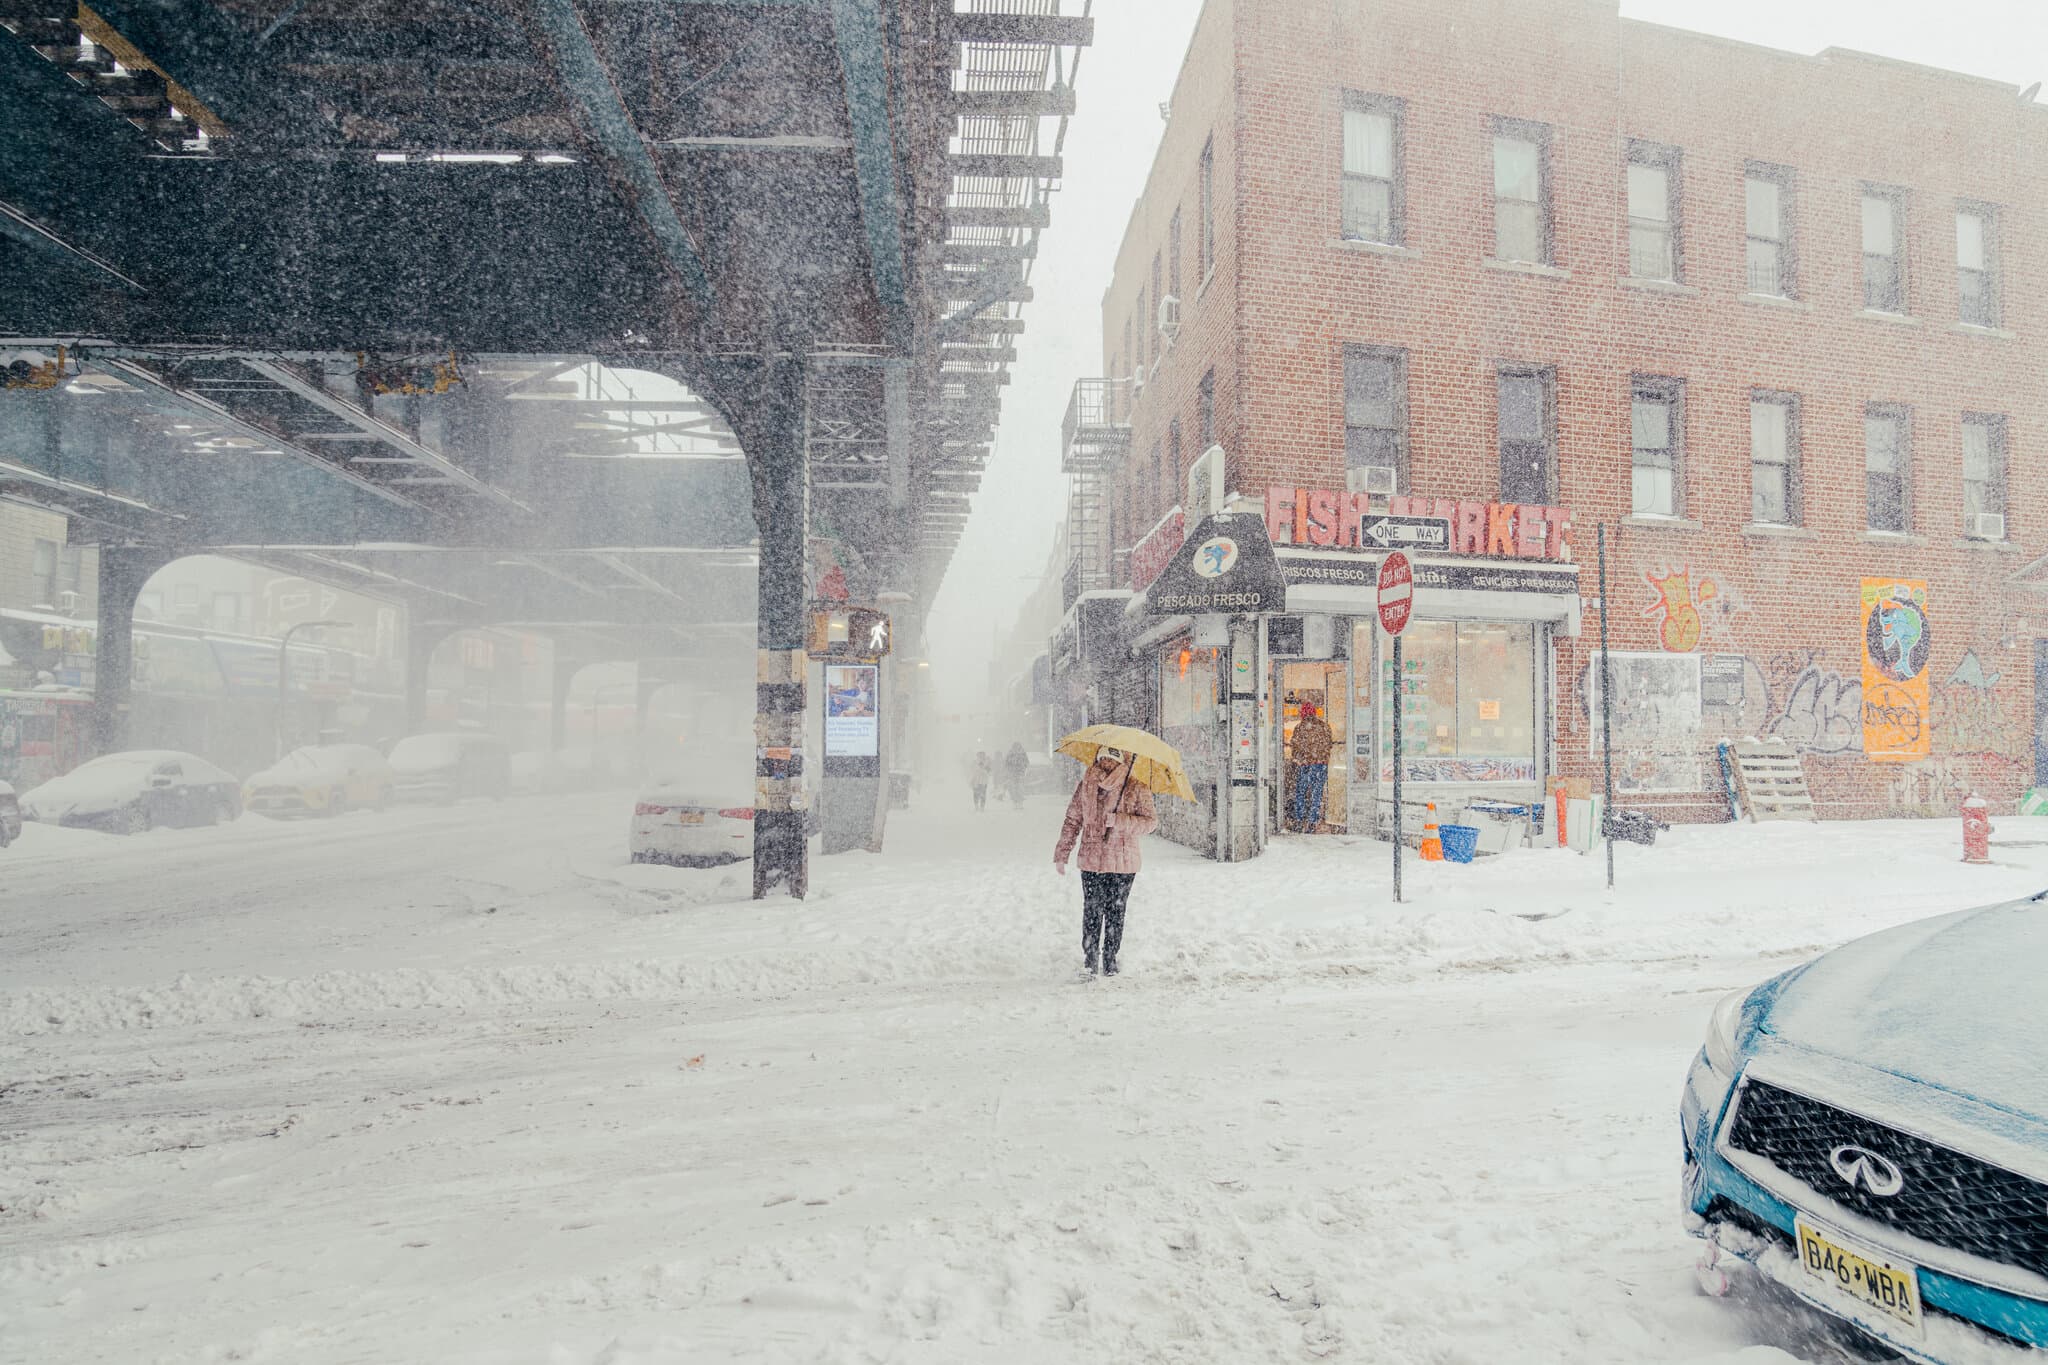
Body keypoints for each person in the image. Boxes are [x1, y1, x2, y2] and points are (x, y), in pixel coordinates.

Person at [1052, 745, 1159, 976]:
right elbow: (1073, 819)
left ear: (1120, 761)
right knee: (1096, 910)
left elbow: (1150, 823)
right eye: (1102, 760)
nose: (1106, 764)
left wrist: (1119, 820)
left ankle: (1109, 958)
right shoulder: (1087, 784)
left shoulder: (1135, 787)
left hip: (1122, 863)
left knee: (1112, 912)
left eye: (1110, 760)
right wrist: (1062, 852)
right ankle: (1091, 959)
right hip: (1092, 860)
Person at [1289, 702, 1334, 831]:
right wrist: (1322, 757)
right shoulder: (1324, 726)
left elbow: (1295, 745)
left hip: (1306, 764)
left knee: (1301, 793)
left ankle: (1299, 819)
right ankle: (1312, 821)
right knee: (1316, 794)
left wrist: (1299, 759)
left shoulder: (1300, 727)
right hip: (1320, 764)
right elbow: (1328, 744)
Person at [1003, 741, 1030, 808]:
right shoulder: (1011, 754)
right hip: (1014, 773)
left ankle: (1019, 802)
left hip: (1019, 773)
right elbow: (1006, 763)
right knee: (1014, 789)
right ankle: (1016, 802)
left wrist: (1022, 768)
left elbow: (1026, 762)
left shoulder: (1022, 753)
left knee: (1019, 788)